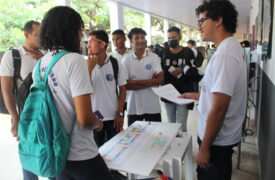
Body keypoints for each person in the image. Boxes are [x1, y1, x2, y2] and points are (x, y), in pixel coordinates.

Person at [38, 6, 113, 180]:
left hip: (56, 153)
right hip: (81, 153)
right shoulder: (75, 60)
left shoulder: (41, 63)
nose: (82, 36)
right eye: (79, 30)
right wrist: (99, 124)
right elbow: (85, 119)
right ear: (70, 31)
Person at [180, 1, 247, 179]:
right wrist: (195, 95)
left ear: (218, 20)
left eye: (202, 20)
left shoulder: (225, 55)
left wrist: (204, 148)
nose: (199, 26)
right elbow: (218, 93)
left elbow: (219, 108)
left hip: (216, 143)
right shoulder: (227, 49)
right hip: (218, 139)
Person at [0, 20, 46, 180]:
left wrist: (42, 58)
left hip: (48, 115)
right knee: (29, 159)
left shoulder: (46, 55)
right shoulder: (13, 56)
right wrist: (15, 117)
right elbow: (6, 91)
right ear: (26, 34)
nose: (41, 38)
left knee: (50, 156)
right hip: (27, 118)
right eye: (37, 35)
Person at [87, 30, 127, 147]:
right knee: (97, 151)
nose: (88, 46)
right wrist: (89, 68)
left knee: (116, 149)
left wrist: (119, 113)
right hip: (94, 118)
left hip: (112, 117)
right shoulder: (85, 64)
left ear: (102, 44)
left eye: (91, 42)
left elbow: (123, 89)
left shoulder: (115, 63)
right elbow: (83, 89)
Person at [121, 28, 164, 126]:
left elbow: (160, 80)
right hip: (133, 107)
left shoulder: (154, 57)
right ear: (131, 41)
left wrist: (134, 82)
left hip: (153, 106)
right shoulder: (126, 60)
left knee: (156, 136)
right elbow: (126, 85)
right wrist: (152, 82)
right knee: (134, 138)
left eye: (142, 37)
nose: (140, 40)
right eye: (136, 38)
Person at [160, 26, 198, 132]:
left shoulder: (187, 52)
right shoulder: (164, 52)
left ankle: (182, 146)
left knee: (181, 125)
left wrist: (183, 69)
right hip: (168, 92)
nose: (171, 40)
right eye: (169, 38)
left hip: (183, 92)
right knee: (170, 124)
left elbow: (194, 70)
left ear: (180, 37)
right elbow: (160, 69)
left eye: (174, 37)